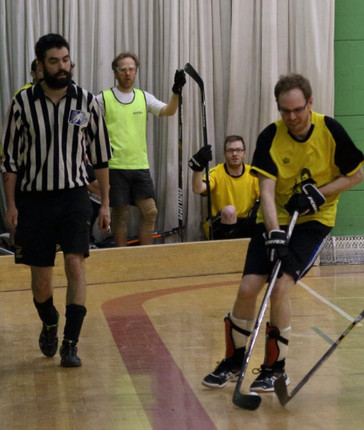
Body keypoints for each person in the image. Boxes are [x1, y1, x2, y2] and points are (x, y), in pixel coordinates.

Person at [202, 73, 364, 392]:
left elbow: (356, 175)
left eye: (298, 110)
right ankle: (234, 361)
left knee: (279, 287)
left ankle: (275, 368)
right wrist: (275, 232)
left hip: (314, 222)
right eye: (284, 111)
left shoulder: (330, 130)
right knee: (249, 287)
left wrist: (320, 193)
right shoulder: (270, 136)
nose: (292, 118)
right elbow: (266, 189)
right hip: (275, 218)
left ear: (310, 103)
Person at [1, 33, 112, 367]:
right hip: (34, 199)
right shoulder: (22, 104)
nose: (62, 67)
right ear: (39, 66)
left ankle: (70, 343)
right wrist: (11, 205)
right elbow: (9, 161)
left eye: (66, 60)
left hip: (75, 196)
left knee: (75, 264)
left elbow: (102, 157)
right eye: (54, 61)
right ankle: (50, 322)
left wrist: (105, 202)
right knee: (41, 278)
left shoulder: (88, 102)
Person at [95, 52, 186, 247]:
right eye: (123, 70)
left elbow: (169, 111)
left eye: (131, 69)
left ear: (136, 72)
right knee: (120, 214)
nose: (127, 74)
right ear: (115, 72)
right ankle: (122, 258)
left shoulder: (143, 97)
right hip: (115, 165)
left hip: (139, 165)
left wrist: (176, 91)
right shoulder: (103, 98)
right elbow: (85, 123)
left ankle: (144, 256)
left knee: (150, 211)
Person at [189, 135, 260, 240]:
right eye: (230, 150)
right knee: (229, 211)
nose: (234, 154)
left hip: (245, 223)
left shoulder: (253, 174)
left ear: (244, 153)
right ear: (224, 154)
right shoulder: (216, 173)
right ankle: (228, 252)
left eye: (238, 150)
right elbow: (197, 189)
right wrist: (198, 169)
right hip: (220, 224)